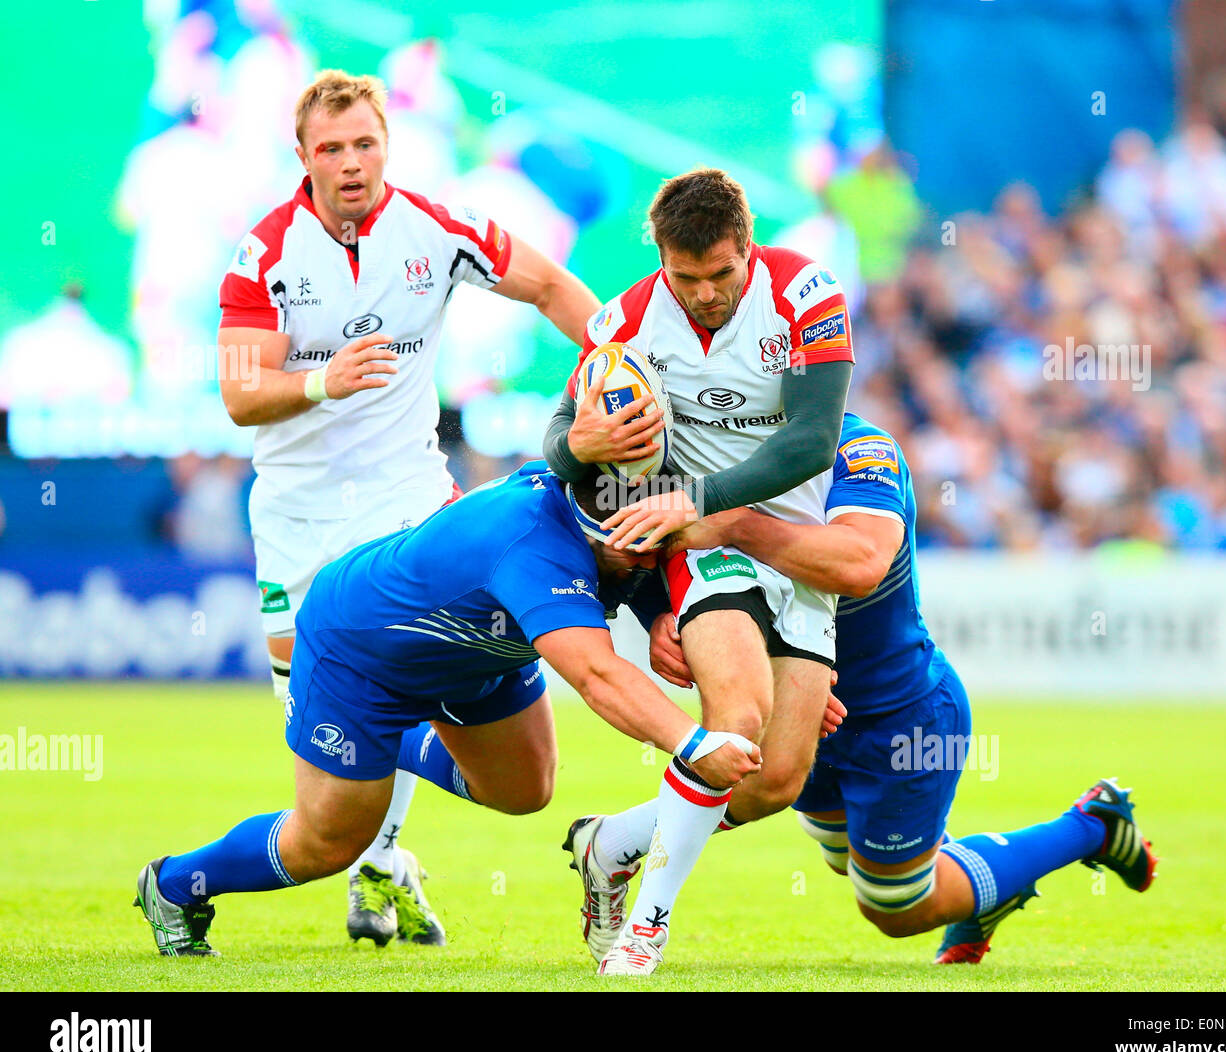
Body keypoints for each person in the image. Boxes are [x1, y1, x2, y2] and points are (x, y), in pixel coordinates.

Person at [216, 70, 601, 946]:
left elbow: (547, 285)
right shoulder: (267, 253)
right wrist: (323, 378)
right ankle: (381, 864)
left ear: (386, 145)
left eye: (365, 145)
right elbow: (241, 395)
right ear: (304, 157)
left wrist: (618, 355)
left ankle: (376, 870)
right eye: (331, 149)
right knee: (329, 737)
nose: (351, 164)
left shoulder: (435, 227)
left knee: (398, 698)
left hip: (409, 506)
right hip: (298, 520)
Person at [134, 465, 761, 957]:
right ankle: (172, 885)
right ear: (595, 533)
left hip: (476, 651)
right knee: (328, 842)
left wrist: (654, 613)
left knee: (525, 791)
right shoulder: (534, 553)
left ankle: (385, 750)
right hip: (363, 653)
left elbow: (639, 561)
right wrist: (695, 742)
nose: (649, 563)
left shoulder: (594, 508)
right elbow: (598, 675)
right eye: (636, 554)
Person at [618, 413, 1158, 961]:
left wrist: (735, 526)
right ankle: (990, 884)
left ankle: (1092, 824)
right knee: (845, 856)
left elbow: (860, 564)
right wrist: (657, 613)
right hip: (805, 708)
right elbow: (647, 538)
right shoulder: (703, 437)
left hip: (897, 716)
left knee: (895, 906)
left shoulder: (858, 446)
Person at [543, 168, 853, 974]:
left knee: (775, 780)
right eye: (687, 278)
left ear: (748, 248)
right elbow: (557, 444)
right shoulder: (628, 322)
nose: (707, 293)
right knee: (735, 722)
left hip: (794, 553)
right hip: (706, 548)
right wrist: (587, 449)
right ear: (663, 261)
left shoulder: (809, 295)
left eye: (722, 274)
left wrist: (699, 496)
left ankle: (613, 841)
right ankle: (647, 928)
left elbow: (814, 442)